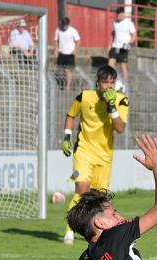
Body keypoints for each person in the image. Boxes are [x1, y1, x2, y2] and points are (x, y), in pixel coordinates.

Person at [61, 65, 129, 245]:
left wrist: (111, 106)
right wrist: (67, 136)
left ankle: (96, 233)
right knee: (81, 190)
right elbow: (70, 114)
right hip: (83, 150)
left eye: (111, 83)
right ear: (97, 83)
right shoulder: (84, 96)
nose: (108, 86)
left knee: (99, 197)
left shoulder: (121, 101)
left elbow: (120, 128)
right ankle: (69, 231)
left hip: (104, 155)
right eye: (104, 82)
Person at [107, 7, 136, 82]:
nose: (121, 16)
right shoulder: (115, 23)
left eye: (122, 14)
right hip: (115, 46)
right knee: (110, 65)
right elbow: (113, 35)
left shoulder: (129, 23)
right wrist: (109, 45)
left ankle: (125, 84)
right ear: (117, 15)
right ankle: (114, 81)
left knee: (123, 66)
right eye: (119, 15)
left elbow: (134, 36)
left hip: (124, 47)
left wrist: (129, 43)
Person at [54, 17, 80, 90]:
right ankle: (64, 83)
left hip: (70, 53)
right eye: (63, 25)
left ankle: (68, 86)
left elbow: (78, 41)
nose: (64, 27)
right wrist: (56, 50)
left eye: (66, 25)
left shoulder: (73, 31)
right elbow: (56, 40)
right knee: (62, 70)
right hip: (61, 53)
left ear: (68, 24)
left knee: (68, 70)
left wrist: (75, 50)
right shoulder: (58, 30)